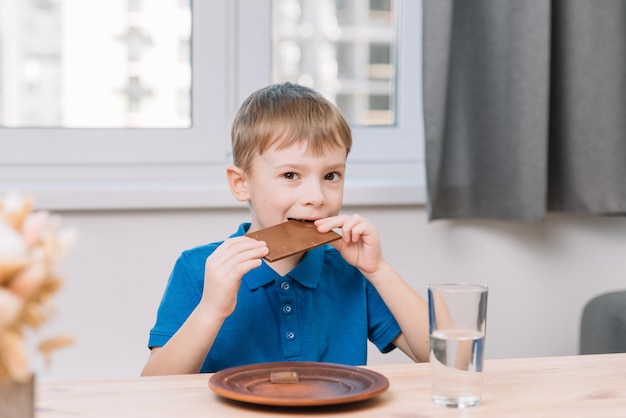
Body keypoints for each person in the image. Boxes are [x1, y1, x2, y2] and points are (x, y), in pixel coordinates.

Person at [141, 82, 429, 376]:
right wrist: (210, 309)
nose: (316, 197)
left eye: (331, 175)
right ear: (242, 184)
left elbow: (447, 361)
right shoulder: (200, 268)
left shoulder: (351, 270)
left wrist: (379, 270)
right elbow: (153, 390)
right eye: (290, 175)